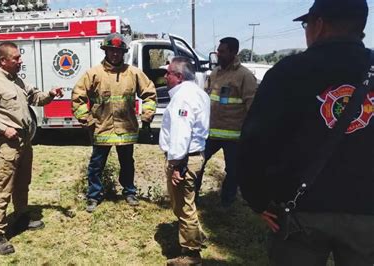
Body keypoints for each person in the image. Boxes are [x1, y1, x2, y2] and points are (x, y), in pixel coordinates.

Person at [238, 0, 374, 265]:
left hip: (300, 212)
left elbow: (255, 141)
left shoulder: (289, 72)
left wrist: (258, 199)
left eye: (305, 24)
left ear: (319, 24)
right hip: (368, 215)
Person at [0, 41, 63, 255]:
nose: (20, 61)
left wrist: (50, 94)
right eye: (16, 58)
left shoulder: (17, 81)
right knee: (3, 187)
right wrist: (3, 129)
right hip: (7, 144)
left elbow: (36, 98)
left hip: (24, 141)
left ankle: (21, 218)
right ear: (3, 60)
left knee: (23, 182)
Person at [72, 32, 157, 213]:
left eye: (118, 51)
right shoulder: (93, 73)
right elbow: (77, 96)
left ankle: (129, 192)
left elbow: (149, 93)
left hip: (125, 129)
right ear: (106, 51)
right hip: (102, 128)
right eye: (111, 51)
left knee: (127, 163)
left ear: (123, 53)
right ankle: (94, 196)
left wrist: (147, 113)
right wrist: (86, 119)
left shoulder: (133, 73)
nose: (115, 54)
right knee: (96, 165)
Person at [159, 56, 210, 265]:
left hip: (184, 160)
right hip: (193, 157)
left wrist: (178, 166)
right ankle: (196, 236)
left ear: (178, 76)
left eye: (168, 72)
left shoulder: (183, 98)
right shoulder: (197, 92)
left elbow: (182, 134)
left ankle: (191, 254)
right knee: (188, 202)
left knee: (183, 206)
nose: (165, 76)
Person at [195, 37, 257, 206]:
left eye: (222, 51)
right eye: (218, 50)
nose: (218, 54)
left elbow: (252, 106)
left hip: (234, 136)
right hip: (211, 132)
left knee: (233, 172)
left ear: (233, 52)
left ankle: (226, 203)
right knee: (197, 164)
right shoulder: (215, 73)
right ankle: (192, 198)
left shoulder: (244, 76)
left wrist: (251, 133)